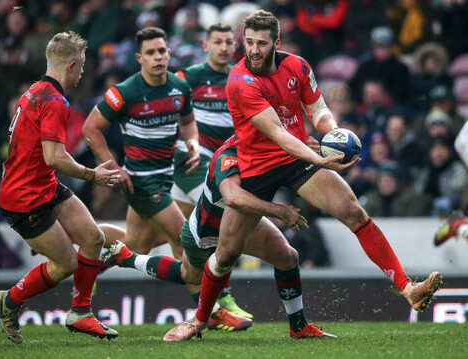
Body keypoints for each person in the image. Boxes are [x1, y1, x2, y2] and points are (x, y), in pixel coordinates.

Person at [176, 10, 441, 339]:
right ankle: (199, 319)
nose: (253, 50)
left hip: (295, 158)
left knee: (352, 209)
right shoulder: (239, 81)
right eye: (249, 43)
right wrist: (323, 159)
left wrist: (334, 135)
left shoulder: (298, 67)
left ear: (277, 42)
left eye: (261, 43)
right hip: (255, 166)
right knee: (226, 253)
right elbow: (279, 135)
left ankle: (407, 287)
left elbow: (318, 110)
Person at [106, 136, 330, 340]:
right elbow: (233, 198)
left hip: (244, 220)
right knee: (188, 275)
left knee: (287, 256)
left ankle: (299, 326)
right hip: (206, 232)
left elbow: (282, 158)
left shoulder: (266, 143)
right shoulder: (228, 155)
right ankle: (128, 258)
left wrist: (308, 150)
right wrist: (280, 211)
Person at [0, 31, 121, 345]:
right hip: (23, 198)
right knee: (66, 264)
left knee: (94, 238)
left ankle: (81, 313)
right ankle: (9, 300)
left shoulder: (34, 91)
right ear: (73, 65)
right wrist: (93, 175)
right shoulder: (55, 101)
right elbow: (54, 157)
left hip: (42, 186)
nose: (83, 73)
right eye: (83, 66)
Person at [82, 27, 199, 260]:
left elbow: (187, 122)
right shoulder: (125, 92)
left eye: (162, 51)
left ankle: (76, 243)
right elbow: (90, 129)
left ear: (169, 53)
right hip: (141, 182)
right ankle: (204, 297)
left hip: (167, 177)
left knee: (136, 246)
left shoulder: (180, 87)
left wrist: (192, 143)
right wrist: (113, 167)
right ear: (139, 58)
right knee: (183, 240)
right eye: (150, 52)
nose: (158, 56)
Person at [172, 23, 249, 318]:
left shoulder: (241, 77)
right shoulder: (188, 78)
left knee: (139, 241)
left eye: (229, 42)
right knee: (223, 219)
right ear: (205, 45)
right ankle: (224, 297)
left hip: (228, 159)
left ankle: (104, 255)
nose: (224, 47)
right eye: (218, 42)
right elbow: (165, 104)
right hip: (194, 161)